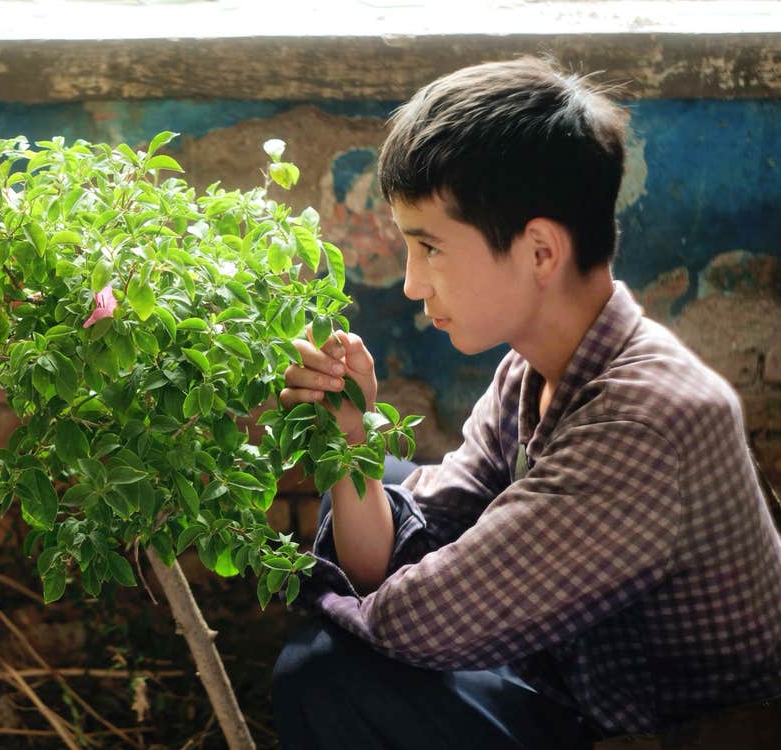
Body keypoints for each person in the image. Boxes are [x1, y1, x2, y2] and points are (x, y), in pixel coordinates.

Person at [272, 57, 781, 749]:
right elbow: (424, 526)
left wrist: (308, 592)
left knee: (324, 675)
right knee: (376, 479)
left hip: (659, 732)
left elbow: (416, 621)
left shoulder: (651, 421)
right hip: (570, 677)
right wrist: (349, 437)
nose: (414, 285)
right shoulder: (534, 368)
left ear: (540, 250)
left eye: (430, 248)